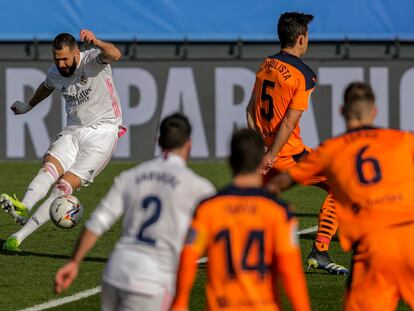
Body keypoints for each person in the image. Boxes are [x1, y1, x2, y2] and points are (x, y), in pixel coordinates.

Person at [267, 82, 414, 310]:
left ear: (342, 111)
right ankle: (320, 249)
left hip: (373, 248)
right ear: (374, 111)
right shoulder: (403, 140)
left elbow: (282, 182)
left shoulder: (331, 150)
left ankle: (320, 249)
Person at [55, 113, 215, 311]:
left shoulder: (131, 176)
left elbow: (98, 222)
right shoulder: (199, 187)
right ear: (189, 144)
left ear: (159, 142)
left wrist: (74, 262)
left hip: (115, 273)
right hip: (153, 281)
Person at [0, 30, 125, 251]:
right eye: (57, 59)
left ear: (77, 52)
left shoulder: (94, 59)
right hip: (74, 130)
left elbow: (115, 54)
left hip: (103, 133)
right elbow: (47, 86)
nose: (61, 64)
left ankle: (18, 237)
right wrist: (28, 105)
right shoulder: (55, 73)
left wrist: (96, 41)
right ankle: (23, 206)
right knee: (49, 165)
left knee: (62, 187)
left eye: (65, 58)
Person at [246, 12, 347, 274]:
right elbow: (289, 123)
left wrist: (262, 151)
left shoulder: (266, 64)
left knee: (260, 202)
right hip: (287, 154)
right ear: (301, 38)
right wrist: (272, 155)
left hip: (268, 153)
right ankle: (320, 251)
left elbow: (249, 111)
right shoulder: (304, 74)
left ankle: (245, 252)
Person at [171, 129, 311, 311]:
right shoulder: (279, 212)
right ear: (262, 161)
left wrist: (180, 303)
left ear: (230, 162)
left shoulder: (208, 209)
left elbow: (188, 257)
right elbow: (290, 271)